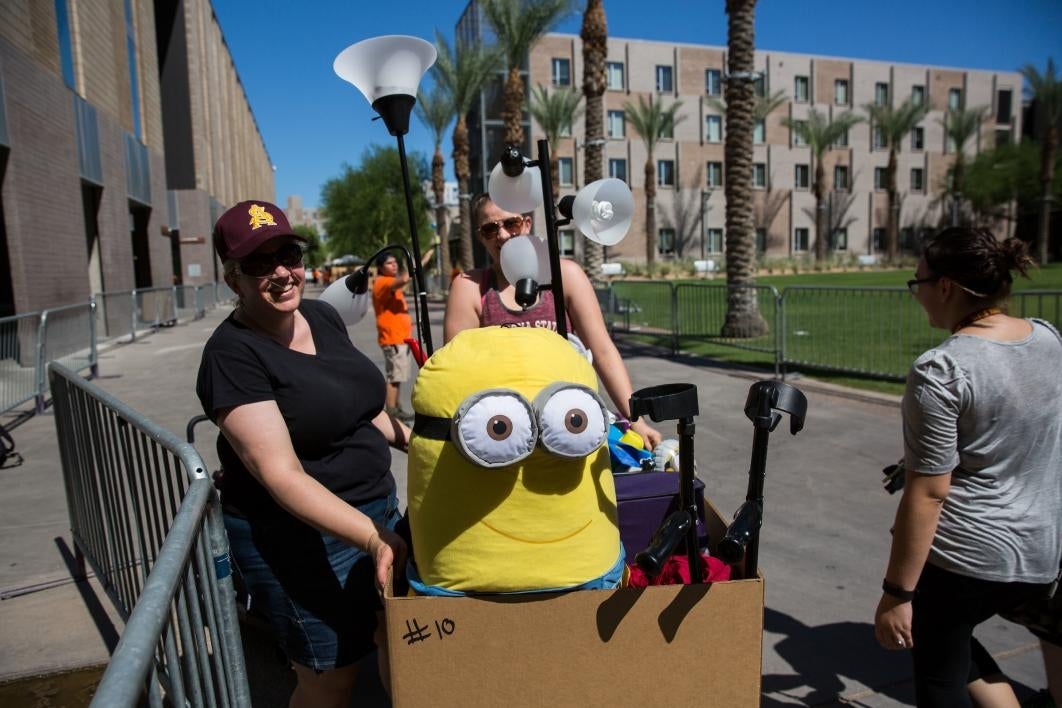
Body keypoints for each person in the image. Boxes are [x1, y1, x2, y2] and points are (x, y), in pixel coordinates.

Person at [196, 200, 409, 708]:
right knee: (331, 677)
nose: (282, 271)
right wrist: (373, 540)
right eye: (259, 262)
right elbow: (282, 476)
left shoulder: (320, 314)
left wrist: (420, 441)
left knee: (390, 638)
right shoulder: (231, 356)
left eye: (287, 253)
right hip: (300, 541)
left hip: (377, 509)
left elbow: (363, 409)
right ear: (234, 280)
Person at [874, 227, 1062, 708]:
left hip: (967, 555)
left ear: (946, 286)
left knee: (941, 673)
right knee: (955, 643)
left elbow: (929, 493)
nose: (917, 295)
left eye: (917, 283)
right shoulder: (1048, 338)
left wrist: (897, 593)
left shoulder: (941, 369)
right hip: (1041, 552)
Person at [444, 193, 662, 450]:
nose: (502, 235)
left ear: (526, 224)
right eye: (491, 229)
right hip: (505, 435)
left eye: (510, 223)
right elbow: (457, 370)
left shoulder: (564, 276)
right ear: (481, 237)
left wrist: (636, 420)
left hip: (570, 426)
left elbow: (602, 351)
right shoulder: (471, 287)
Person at [372, 253, 414, 422]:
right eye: (390, 263)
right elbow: (403, 280)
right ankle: (391, 411)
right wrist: (416, 264)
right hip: (393, 338)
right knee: (394, 377)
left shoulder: (388, 282)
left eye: (395, 262)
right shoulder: (383, 281)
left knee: (398, 376)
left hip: (400, 338)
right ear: (381, 267)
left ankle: (396, 407)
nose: (394, 265)